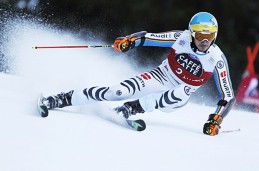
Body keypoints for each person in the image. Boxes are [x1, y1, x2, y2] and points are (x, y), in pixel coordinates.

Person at [41, 12, 235, 136]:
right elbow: (148, 37)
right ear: (192, 33)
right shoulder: (181, 38)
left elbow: (228, 96)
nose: (204, 40)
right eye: (200, 35)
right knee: (116, 91)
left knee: (183, 89)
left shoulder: (216, 59)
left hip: (177, 97)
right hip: (160, 76)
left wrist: (215, 120)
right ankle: (61, 99)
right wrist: (128, 41)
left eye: (209, 36)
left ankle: (132, 108)